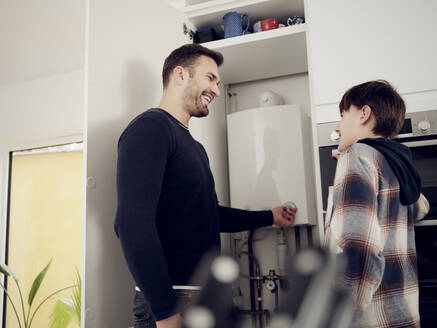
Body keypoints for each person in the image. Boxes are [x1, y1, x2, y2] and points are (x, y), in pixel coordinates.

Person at [114, 43, 297, 328]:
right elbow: (131, 224)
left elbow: (209, 213)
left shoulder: (194, 146)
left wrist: (268, 216)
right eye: (209, 78)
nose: (216, 89)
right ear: (180, 75)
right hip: (172, 300)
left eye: (218, 82)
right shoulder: (150, 128)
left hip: (205, 295)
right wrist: (164, 313)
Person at [324, 80, 429, 327]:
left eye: (342, 115)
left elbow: (360, 249)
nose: (338, 127)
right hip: (405, 312)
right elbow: (419, 207)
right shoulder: (396, 163)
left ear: (364, 113)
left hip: (371, 317)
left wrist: (345, 314)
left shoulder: (357, 156)